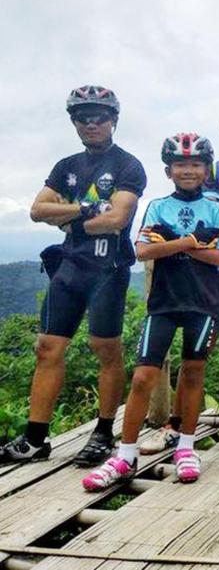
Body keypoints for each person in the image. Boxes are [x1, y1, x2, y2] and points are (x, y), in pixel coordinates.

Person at [0, 86, 146, 466]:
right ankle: (36, 439)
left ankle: (103, 433)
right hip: (69, 269)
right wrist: (87, 209)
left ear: (114, 120)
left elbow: (117, 218)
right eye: (83, 117)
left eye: (100, 116)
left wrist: (67, 219)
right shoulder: (66, 166)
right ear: (74, 122)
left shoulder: (129, 165)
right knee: (47, 348)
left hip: (108, 270)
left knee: (106, 349)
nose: (91, 123)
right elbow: (37, 210)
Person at [81, 133, 219, 490]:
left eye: (195, 164)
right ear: (168, 171)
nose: (188, 170)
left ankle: (186, 448)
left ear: (206, 169)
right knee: (142, 378)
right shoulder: (158, 206)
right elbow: (142, 251)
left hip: (203, 303)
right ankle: (125, 455)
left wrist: (171, 243)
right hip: (163, 303)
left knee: (193, 374)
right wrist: (192, 242)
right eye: (180, 164)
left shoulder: (214, 207)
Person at [140, 103, 219, 455]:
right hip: (216, 273)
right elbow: (214, 215)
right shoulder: (212, 170)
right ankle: (175, 425)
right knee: (199, 353)